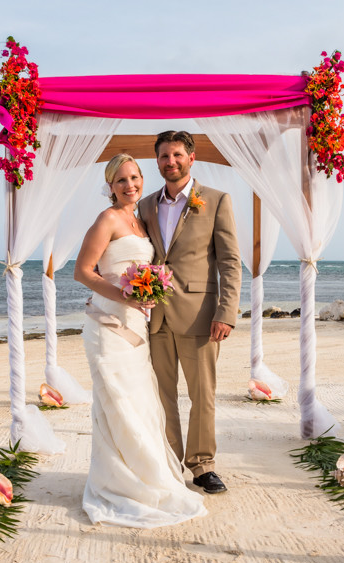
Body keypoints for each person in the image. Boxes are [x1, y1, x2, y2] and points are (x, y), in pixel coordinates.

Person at [74, 154, 207, 528]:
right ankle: (122, 484)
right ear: (110, 186)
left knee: (138, 402)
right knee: (117, 405)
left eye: (134, 177)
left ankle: (142, 476)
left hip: (137, 326)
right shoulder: (108, 219)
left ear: (141, 180)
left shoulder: (141, 220)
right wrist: (126, 296)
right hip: (108, 326)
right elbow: (82, 271)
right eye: (121, 180)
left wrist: (147, 294)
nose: (129, 185)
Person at [139, 131, 242, 495]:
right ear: (157, 161)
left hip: (201, 314)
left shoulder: (215, 201)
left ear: (191, 157)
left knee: (203, 394)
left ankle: (201, 466)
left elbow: (230, 261)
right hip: (155, 317)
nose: (171, 161)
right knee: (162, 395)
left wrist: (226, 312)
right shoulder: (146, 205)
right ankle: (169, 462)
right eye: (164, 156)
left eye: (177, 154)